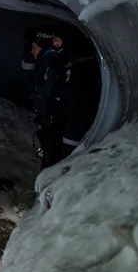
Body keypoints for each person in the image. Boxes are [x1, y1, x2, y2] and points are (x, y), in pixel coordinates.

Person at [23, 27, 100, 168]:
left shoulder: (66, 71)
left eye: (35, 46)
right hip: (54, 128)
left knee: (53, 163)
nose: (32, 49)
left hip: (61, 131)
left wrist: (69, 145)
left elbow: (75, 109)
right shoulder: (49, 64)